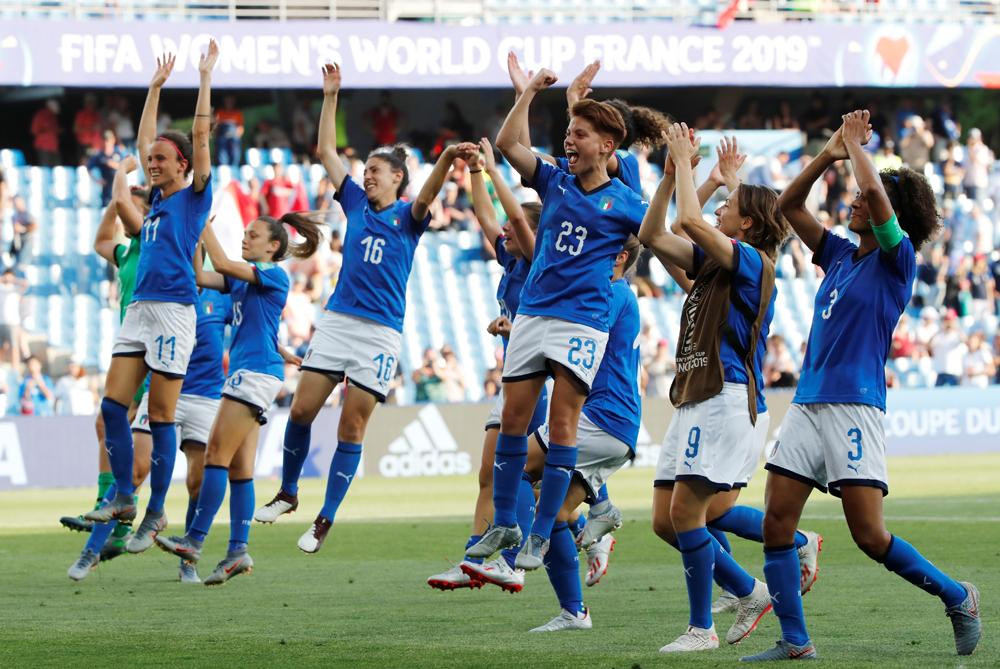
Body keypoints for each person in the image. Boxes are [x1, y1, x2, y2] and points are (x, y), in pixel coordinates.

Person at [745, 110, 980, 661]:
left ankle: (958, 597)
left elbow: (875, 192)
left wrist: (858, 150)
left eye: (861, 199)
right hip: (808, 403)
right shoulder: (840, 256)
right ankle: (795, 640)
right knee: (777, 521)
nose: (850, 201)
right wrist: (830, 152)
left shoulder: (900, 261)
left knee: (870, 537)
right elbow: (787, 207)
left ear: (889, 215)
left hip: (856, 407)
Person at [252, 63, 474, 556]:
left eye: (376, 171)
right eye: (366, 171)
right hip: (337, 323)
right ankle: (288, 492)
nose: (366, 177)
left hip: (379, 336)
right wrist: (330, 95)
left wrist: (446, 159)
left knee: (352, 427)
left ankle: (324, 519)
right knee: (303, 410)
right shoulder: (353, 202)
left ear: (398, 178)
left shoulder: (410, 217)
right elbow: (326, 152)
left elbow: (432, 191)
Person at [465, 68, 647, 572]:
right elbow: (506, 141)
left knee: (562, 425)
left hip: (580, 321)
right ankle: (505, 521)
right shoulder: (553, 180)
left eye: (579, 134)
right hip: (533, 314)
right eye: (567, 133)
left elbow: (658, 232)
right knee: (514, 421)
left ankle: (541, 536)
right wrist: (529, 92)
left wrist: (680, 173)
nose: (568, 141)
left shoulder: (628, 203)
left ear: (607, 145)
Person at [638, 124, 803, 654]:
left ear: (747, 225)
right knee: (667, 522)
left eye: (727, 208)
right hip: (695, 397)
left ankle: (701, 629)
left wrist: (688, 165)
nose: (717, 212)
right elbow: (652, 235)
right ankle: (751, 591)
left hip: (726, 397)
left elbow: (689, 220)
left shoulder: (754, 262)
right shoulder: (716, 265)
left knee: (691, 514)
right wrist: (674, 176)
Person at [83, 44, 218, 531]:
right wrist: (154, 88)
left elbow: (200, 134)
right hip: (140, 309)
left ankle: (157, 508)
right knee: (111, 406)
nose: (152, 164)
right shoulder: (157, 205)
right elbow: (144, 140)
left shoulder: (194, 199)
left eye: (162, 159)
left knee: (161, 418)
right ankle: (123, 495)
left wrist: (204, 78)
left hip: (173, 312)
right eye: (151, 159)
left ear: (184, 165)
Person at [156, 213, 319, 585]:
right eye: (244, 233)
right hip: (256, 371)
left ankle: (194, 541)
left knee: (216, 455)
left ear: (272, 246)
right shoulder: (245, 282)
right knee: (240, 470)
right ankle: (237, 552)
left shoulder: (275, 273)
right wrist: (198, 243)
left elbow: (225, 263)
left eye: (252, 235)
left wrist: (201, 223)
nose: (245, 238)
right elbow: (201, 276)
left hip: (253, 374)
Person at [427, 138, 544, 593]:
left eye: (515, 231)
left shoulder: (536, 264)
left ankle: (515, 560)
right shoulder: (511, 262)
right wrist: (475, 171)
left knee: (517, 473)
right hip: (512, 377)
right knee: (489, 474)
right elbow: (487, 216)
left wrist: (514, 332)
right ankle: (474, 557)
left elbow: (510, 217)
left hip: (538, 381)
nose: (504, 235)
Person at [66, 157, 155, 580]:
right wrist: (114, 208)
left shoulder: (159, 245)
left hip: (162, 357)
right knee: (106, 424)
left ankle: (121, 531)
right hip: (132, 351)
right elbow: (102, 242)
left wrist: (123, 174)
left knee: (140, 462)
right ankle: (112, 514)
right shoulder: (129, 252)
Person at [126, 284, 233, 584]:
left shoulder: (219, 295)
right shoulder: (163, 290)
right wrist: (133, 398)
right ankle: (109, 539)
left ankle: (187, 559)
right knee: (138, 468)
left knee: (197, 481)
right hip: (162, 387)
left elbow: (251, 326)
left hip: (205, 397)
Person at [87, 130, 126, 207]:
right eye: (104, 140)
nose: (106, 143)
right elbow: (89, 167)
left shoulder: (118, 151)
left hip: (119, 187)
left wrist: (114, 165)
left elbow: (128, 165)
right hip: (106, 189)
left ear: (113, 140)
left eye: (108, 140)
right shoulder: (99, 155)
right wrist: (98, 180)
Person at [215, 95, 244, 168]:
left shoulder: (237, 113)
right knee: (221, 142)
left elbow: (240, 128)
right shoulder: (220, 112)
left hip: (233, 136)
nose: (229, 103)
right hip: (222, 136)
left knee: (235, 142)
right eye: (227, 101)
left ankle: (234, 166)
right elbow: (216, 128)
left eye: (231, 101)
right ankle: (223, 166)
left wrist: (234, 135)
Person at [30, 99, 61, 166]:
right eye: (56, 105)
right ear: (50, 106)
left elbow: (54, 130)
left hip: (54, 147)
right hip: (44, 147)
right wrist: (47, 131)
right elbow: (34, 130)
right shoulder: (41, 114)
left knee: (57, 167)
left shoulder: (53, 117)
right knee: (46, 168)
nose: (58, 107)